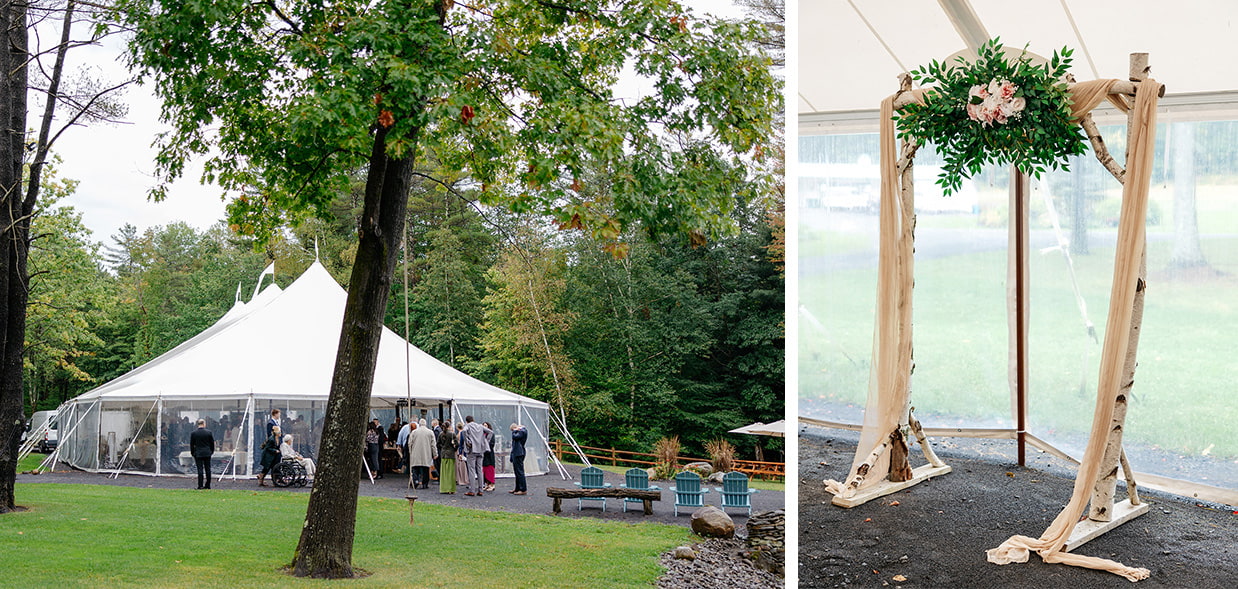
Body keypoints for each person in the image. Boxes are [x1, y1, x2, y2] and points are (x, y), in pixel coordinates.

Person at [461, 416, 492, 496]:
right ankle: (481, 489)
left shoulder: (468, 426)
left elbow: (464, 431)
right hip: (481, 450)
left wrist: (467, 441)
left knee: (471, 470)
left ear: (466, 421)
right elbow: (491, 432)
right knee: (479, 469)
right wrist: (485, 441)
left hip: (472, 450)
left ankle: (472, 490)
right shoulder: (480, 426)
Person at [408, 420, 437, 490]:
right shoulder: (430, 432)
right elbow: (433, 444)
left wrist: (411, 452)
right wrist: (435, 454)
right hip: (426, 454)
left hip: (416, 453)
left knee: (415, 469)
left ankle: (416, 481)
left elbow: (410, 443)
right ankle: (425, 484)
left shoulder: (414, 432)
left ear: (419, 424)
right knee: (426, 469)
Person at [189, 419, 215, 490]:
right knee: (208, 469)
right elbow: (212, 443)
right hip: (207, 452)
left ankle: (200, 485)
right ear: (204, 424)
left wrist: (193, 453)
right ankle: (208, 485)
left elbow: (192, 444)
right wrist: (211, 451)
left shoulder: (194, 433)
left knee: (200, 469)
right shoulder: (209, 433)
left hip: (198, 453)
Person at [437, 419, 457, 494]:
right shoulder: (452, 434)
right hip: (451, 454)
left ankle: (444, 488)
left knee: (444, 472)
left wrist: (443, 448)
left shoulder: (440, 434)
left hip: (443, 454)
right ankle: (450, 488)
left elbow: (438, 444)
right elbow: (456, 444)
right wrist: (454, 448)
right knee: (450, 472)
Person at [509, 423, 528, 495]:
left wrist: (515, 430)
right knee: (517, 472)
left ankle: (523, 489)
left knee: (520, 472)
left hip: (519, 453)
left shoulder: (522, 431)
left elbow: (515, 437)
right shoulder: (521, 431)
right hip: (517, 452)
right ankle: (517, 488)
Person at [482, 421, 497, 492]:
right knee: (484, 469)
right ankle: (487, 483)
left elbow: (492, 443)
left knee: (490, 469)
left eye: (486, 425)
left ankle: (492, 484)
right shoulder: (482, 434)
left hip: (489, 454)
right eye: (484, 425)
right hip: (483, 454)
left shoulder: (491, 434)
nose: (485, 426)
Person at [455, 422, 470, 490]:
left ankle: (461, 479)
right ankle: (464, 478)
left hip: (460, 450)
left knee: (460, 464)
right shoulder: (463, 432)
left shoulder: (459, 433)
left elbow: (459, 443)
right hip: (463, 449)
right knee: (463, 464)